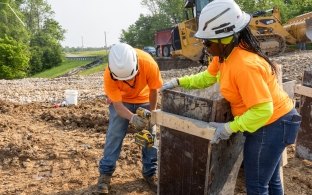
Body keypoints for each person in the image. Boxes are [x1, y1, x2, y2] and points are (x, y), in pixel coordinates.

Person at [161, 0, 301, 194]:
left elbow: (263, 110)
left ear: (225, 38)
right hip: (275, 122)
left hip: (272, 125)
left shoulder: (244, 65)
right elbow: (208, 77)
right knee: (270, 181)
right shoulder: (224, 55)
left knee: (257, 186)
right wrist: (179, 81)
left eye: (207, 41)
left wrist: (228, 128)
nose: (204, 45)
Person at [97, 43, 163, 194]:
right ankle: (105, 174)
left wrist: (151, 114)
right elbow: (118, 107)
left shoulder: (148, 63)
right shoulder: (109, 73)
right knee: (115, 134)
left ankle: (150, 173)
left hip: (145, 99)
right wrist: (132, 118)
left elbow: (154, 91)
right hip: (122, 100)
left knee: (149, 136)